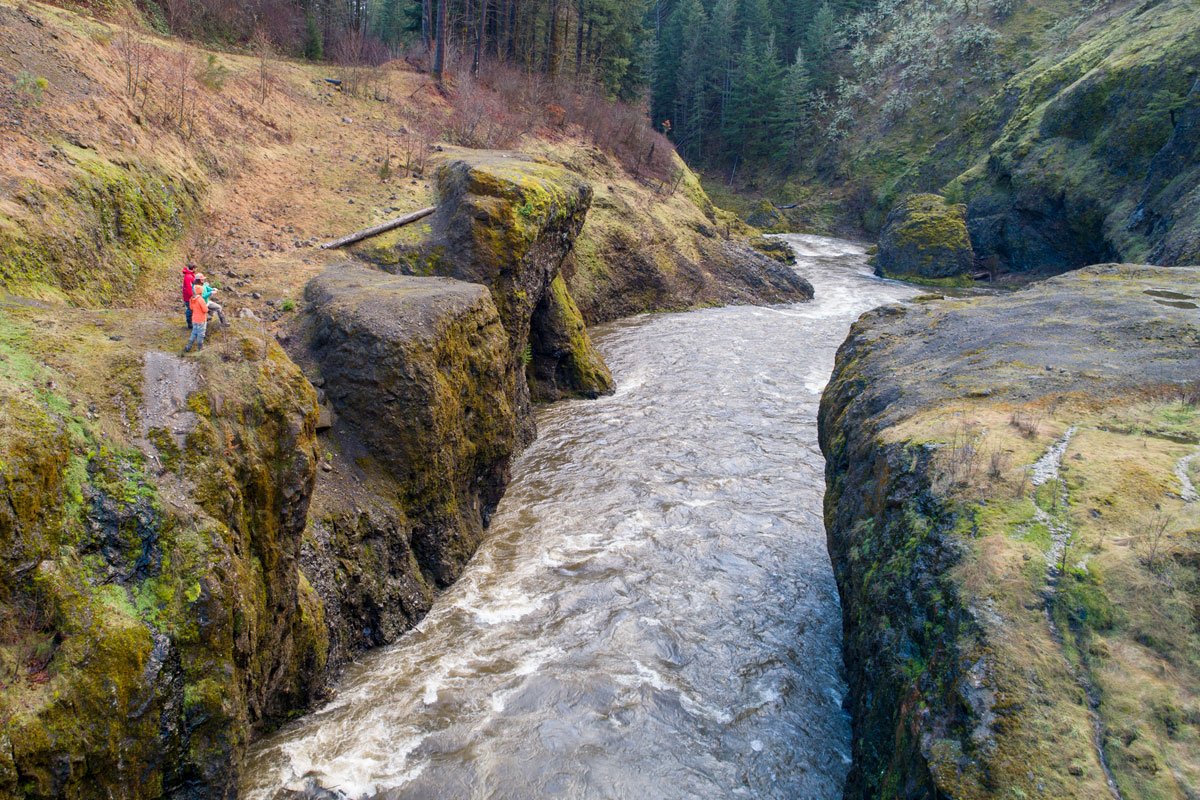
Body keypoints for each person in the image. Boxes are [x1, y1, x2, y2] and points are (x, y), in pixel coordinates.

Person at [184, 281, 209, 353]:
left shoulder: (191, 299)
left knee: (194, 332)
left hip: (194, 319)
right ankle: (200, 348)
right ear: (201, 292)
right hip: (201, 320)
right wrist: (206, 306)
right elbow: (205, 310)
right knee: (201, 334)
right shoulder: (201, 300)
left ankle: (188, 347)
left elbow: (191, 308)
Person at [181, 264, 196, 328]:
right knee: (190, 309)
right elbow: (189, 288)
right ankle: (189, 323)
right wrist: (192, 296)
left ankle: (191, 322)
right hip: (188, 297)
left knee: (190, 309)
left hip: (188, 296)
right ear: (193, 268)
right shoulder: (189, 276)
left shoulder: (189, 275)